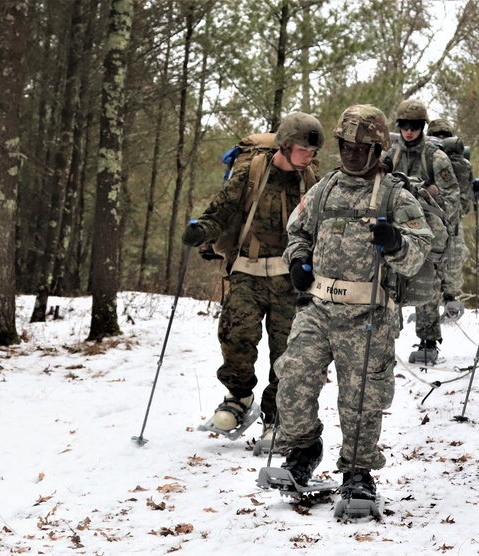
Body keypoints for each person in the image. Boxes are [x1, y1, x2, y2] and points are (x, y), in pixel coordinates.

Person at [274, 104, 432, 501]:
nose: (352, 154)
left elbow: (419, 251)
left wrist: (396, 241)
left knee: (362, 397)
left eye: (361, 149)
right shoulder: (324, 189)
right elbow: (298, 232)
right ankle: (303, 448)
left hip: (368, 314)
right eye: (346, 146)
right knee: (293, 377)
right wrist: (297, 261)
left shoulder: (395, 195)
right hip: (318, 309)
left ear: (378, 150)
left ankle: (358, 472)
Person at [181, 112, 323, 438]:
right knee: (235, 336)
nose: (309, 156)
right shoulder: (250, 174)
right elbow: (219, 213)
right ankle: (239, 397)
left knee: (287, 352)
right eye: (304, 149)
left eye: (313, 151)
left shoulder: (313, 184)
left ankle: (276, 415)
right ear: (285, 146)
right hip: (248, 270)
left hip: (291, 277)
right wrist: (201, 231)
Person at [388, 99, 463, 365]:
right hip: (395, 226)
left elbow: (454, 197)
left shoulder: (436, 156)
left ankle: (428, 339)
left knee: (426, 282)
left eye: (415, 126)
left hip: (427, 228)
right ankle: (386, 338)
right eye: (405, 126)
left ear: (423, 127)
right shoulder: (390, 154)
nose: (409, 131)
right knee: (387, 281)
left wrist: (433, 197)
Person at [427, 118, 474, 322]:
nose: (440, 140)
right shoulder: (423, 158)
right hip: (427, 219)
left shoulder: (460, 164)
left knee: (454, 261)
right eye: (436, 136)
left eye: (444, 136)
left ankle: (450, 299)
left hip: (452, 220)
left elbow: (464, 199)